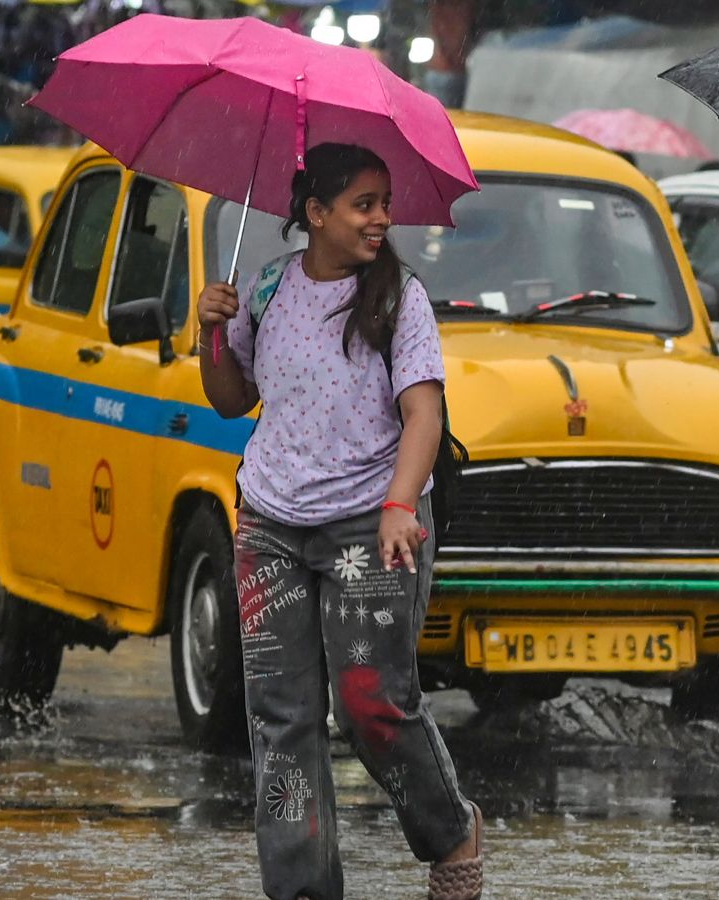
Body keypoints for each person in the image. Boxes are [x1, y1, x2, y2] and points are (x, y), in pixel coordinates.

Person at [196, 143, 482, 900]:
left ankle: (450, 831)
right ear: (315, 214)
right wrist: (209, 332)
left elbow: (424, 414)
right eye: (364, 204)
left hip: (367, 524)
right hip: (269, 523)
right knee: (282, 722)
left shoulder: (399, 299)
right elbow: (230, 400)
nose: (382, 218)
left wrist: (398, 505)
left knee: (369, 704)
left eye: (384, 202)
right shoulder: (265, 290)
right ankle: (302, 890)